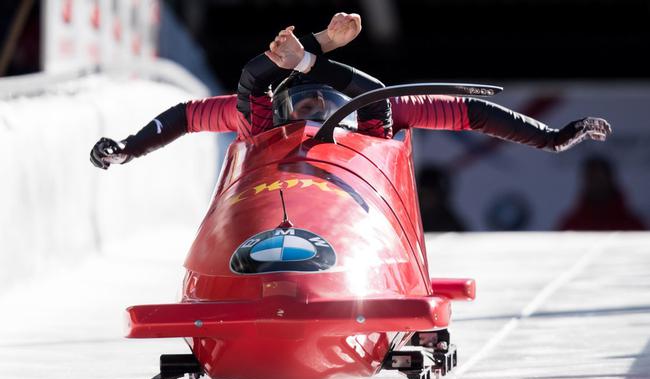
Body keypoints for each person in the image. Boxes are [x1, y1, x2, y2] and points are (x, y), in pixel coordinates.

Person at [90, 13, 612, 170]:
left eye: (322, 101)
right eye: (307, 102)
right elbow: (186, 114)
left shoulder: (375, 115)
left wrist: (552, 138)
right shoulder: (260, 117)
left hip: (357, 191)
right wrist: (127, 150)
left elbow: (471, 113)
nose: (315, 112)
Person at [557, 156, 645, 231]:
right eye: (592, 179)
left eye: (600, 179)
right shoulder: (571, 226)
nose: (596, 184)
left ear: (610, 180)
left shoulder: (633, 225)